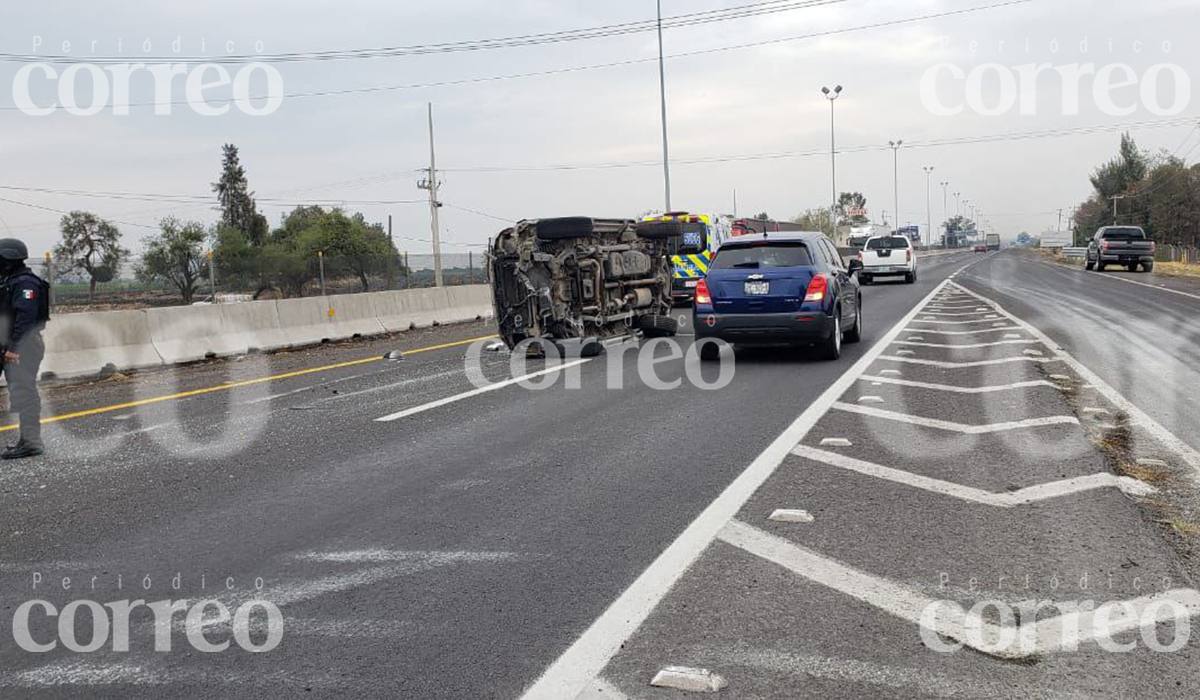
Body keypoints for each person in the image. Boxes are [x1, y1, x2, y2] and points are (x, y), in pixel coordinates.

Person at [0, 239, 49, 459]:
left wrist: (15, 348)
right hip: (7, 345)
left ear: (8, 259)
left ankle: (31, 443)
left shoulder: (26, 283)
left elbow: (26, 317)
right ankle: (26, 440)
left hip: (22, 347)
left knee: (24, 393)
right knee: (19, 393)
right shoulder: (9, 281)